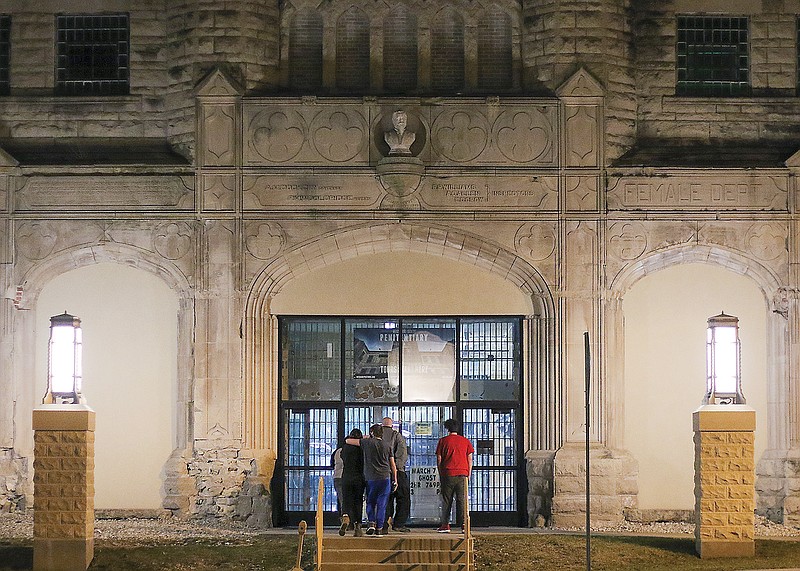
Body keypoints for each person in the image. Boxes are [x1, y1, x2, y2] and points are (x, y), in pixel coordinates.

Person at [346, 423, 397, 536]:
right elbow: (393, 465)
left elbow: (348, 441)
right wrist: (395, 480)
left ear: (372, 432)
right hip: (385, 478)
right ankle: (379, 528)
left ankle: (371, 523)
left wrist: (366, 437)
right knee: (382, 504)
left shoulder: (367, 442)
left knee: (370, 502)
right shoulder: (387, 445)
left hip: (371, 478)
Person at [435, 418, 474, 533]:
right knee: (462, 500)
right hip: (462, 474)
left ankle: (445, 525)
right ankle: (464, 524)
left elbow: (439, 458)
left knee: (447, 499)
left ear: (448, 429)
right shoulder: (465, 441)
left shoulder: (443, 441)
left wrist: (440, 472)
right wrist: (468, 474)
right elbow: (470, 459)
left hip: (448, 473)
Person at [381, 416, 410, 533]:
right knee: (403, 499)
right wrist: (398, 469)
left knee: (385, 500)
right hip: (397, 472)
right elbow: (402, 453)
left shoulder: (376, 437)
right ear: (392, 425)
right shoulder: (397, 436)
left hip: (381, 473)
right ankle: (398, 523)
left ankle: (383, 524)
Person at [339, 428, 366, 536]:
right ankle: (357, 525)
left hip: (346, 477)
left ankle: (345, 517)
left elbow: (342, 457)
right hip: (359, 478)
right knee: (358, 502)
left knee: (346, 500)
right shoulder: (362, 450)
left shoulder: (345, 448)